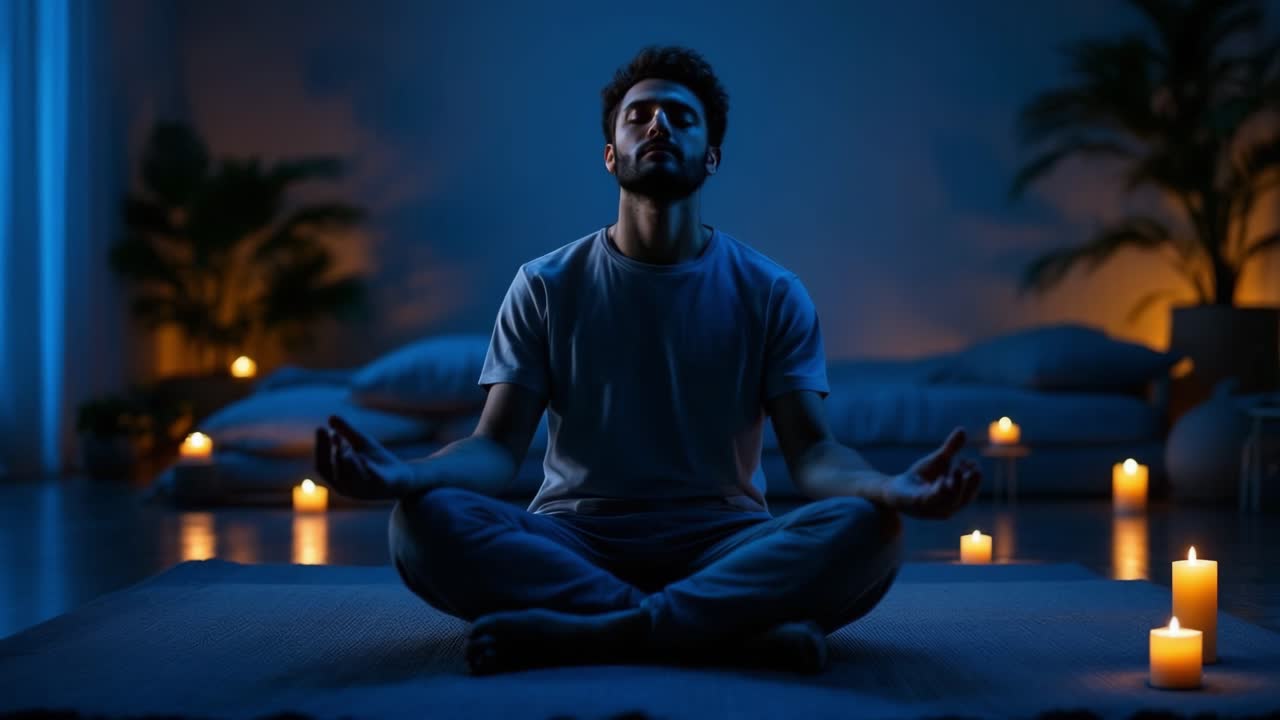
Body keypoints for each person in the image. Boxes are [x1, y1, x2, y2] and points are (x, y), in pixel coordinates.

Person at [314, 45, 981, 676]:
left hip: (725, 542)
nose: (658, 123)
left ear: (711, 157)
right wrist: (404, 476)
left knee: (872, 531)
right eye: (639, 115)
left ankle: (594, 631)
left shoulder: (772, 291)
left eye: (680, 117)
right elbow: (494, 448)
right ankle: (722, 633)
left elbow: (813, 455)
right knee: (422, 524)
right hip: (574, 541)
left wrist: (888, 490)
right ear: (611, 155)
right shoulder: (545, 284)